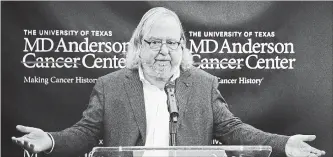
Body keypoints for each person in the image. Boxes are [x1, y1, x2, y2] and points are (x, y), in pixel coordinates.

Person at [12, 7, 325, 157]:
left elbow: (235, 131)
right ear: (138, 46)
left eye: (172, 43)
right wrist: (50, 141)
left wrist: (284, 145)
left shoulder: (204, 84)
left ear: (182, 47)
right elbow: (85, 134)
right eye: (154, 42)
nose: (164, 51)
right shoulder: (110, 86)